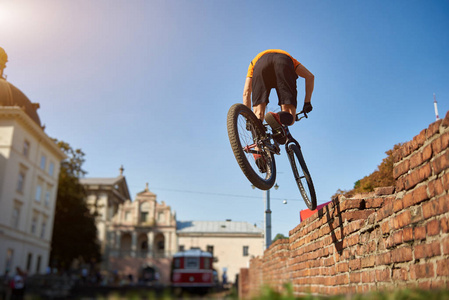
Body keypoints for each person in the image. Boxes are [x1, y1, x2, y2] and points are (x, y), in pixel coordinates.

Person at [243, 49, 314, 135]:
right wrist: (307, 102)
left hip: (260, 63)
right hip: (284, 60)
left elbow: (246, 92)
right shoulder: (291, 59)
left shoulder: (253, 63)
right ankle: (277, 117)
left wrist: (248, 119)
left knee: (258, 116)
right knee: (290, 116)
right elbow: (310, 76)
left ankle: (258, 147)